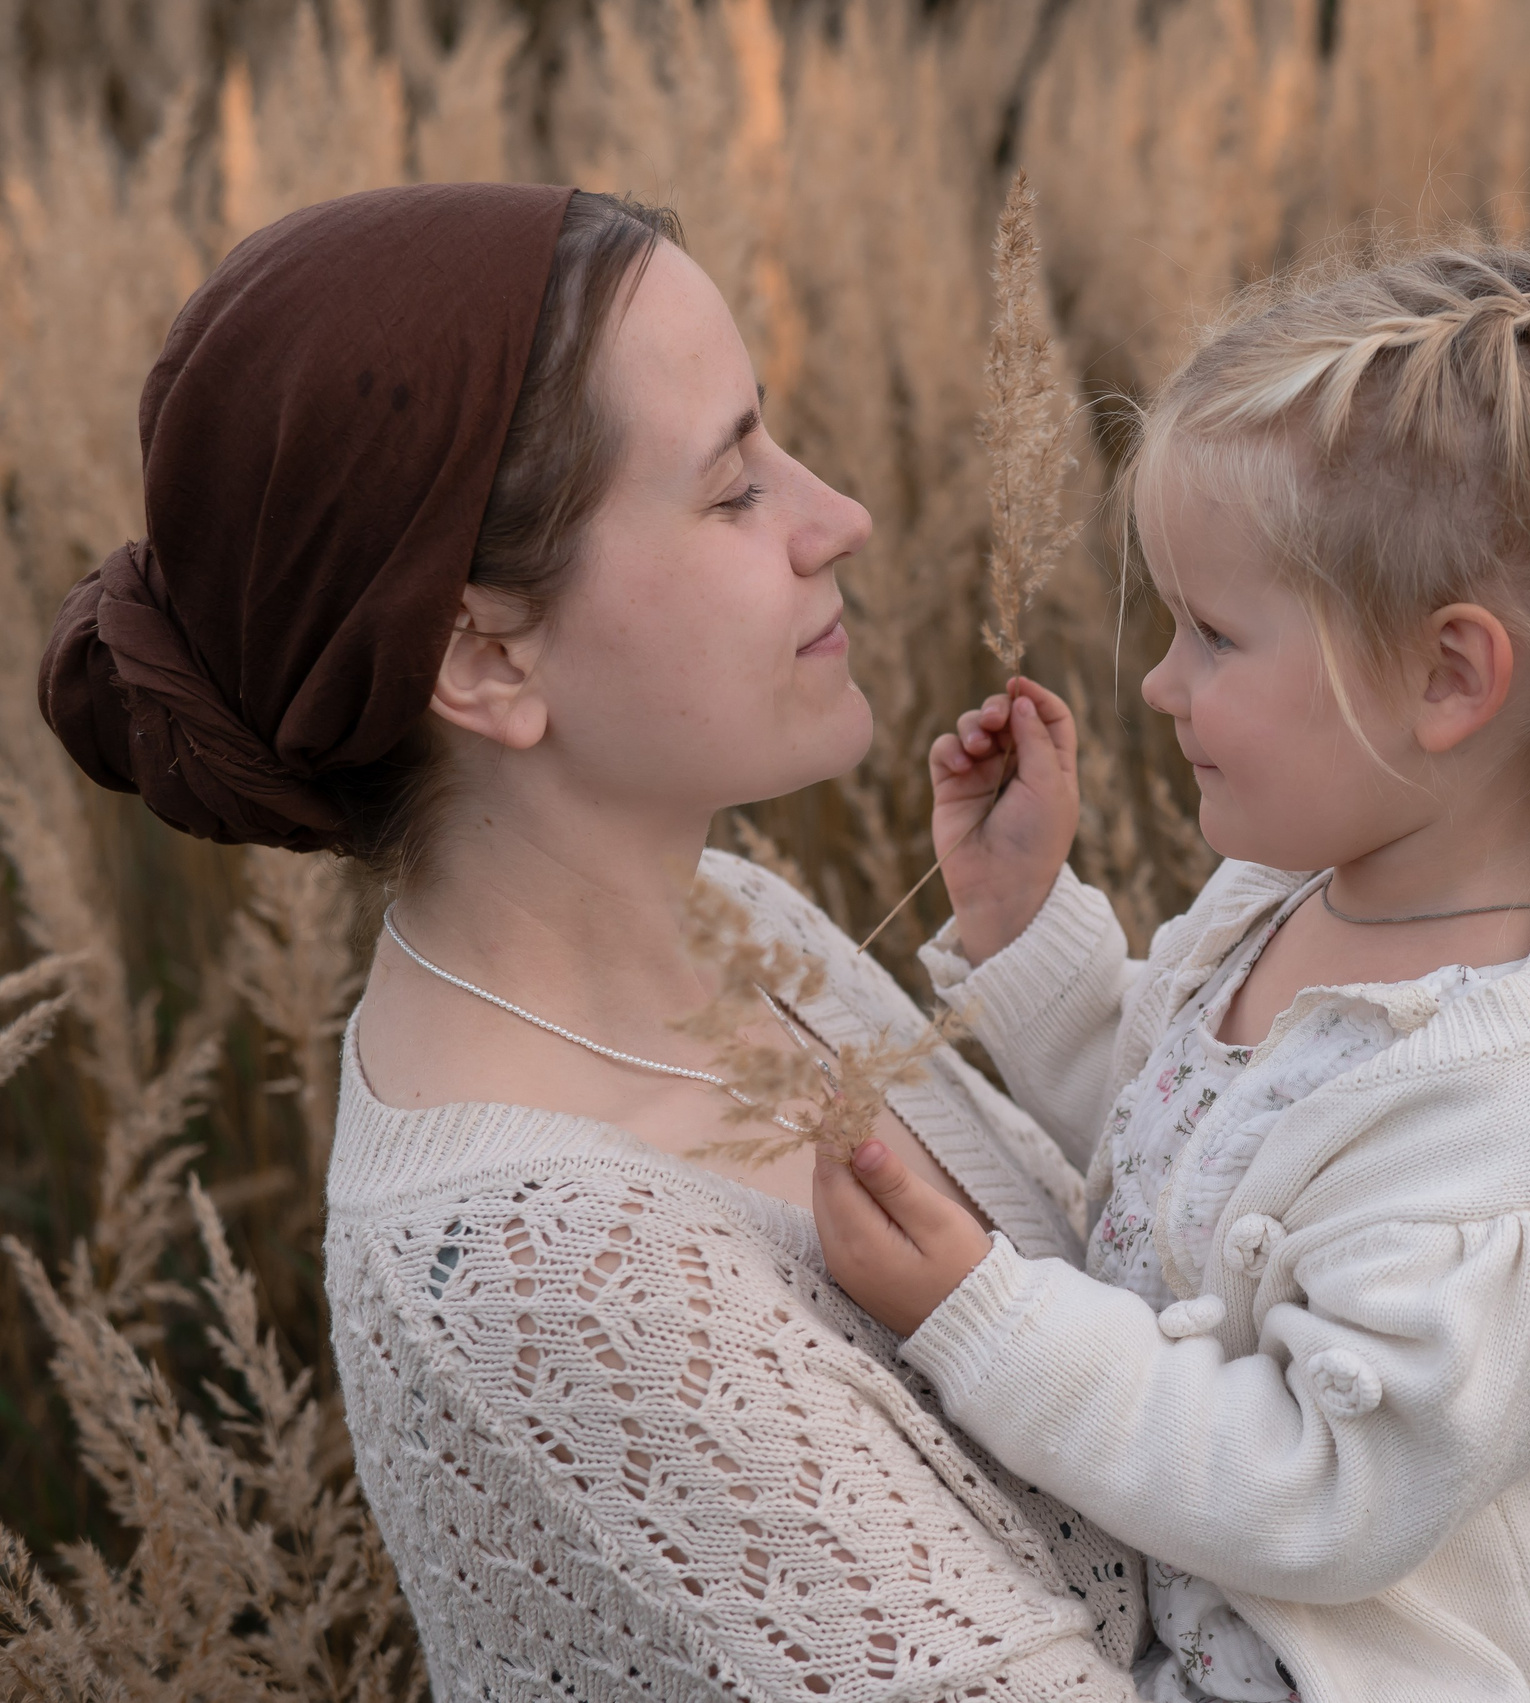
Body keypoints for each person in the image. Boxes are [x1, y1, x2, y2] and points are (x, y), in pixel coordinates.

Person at [38, 182, 1144, 1701]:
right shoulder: (547, 1285)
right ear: (487, 657)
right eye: (735, 486)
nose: (841, 518)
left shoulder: (737, 920)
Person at [809, 247, 1530, 1703]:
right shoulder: (1295, 893)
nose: (1159, 685)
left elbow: (1318, 1487)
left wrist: (983, 1314)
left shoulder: (1520, 1117)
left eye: (1215, 633)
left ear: (1447, 680)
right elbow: (1198, 1171)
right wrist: (1028, 927)